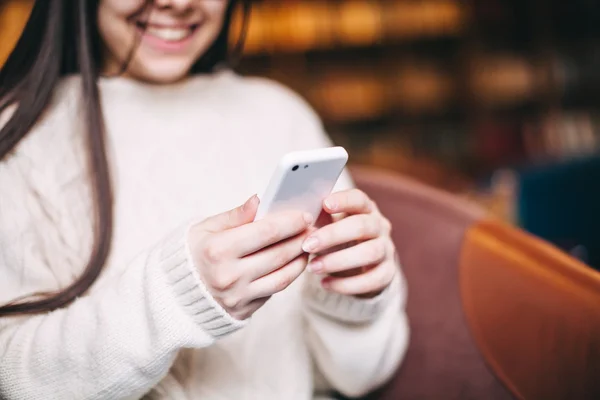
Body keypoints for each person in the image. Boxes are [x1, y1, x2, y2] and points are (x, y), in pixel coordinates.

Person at [0, 1, 409, 399]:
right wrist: (177, 296)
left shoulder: (281, 114)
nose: (178, 3)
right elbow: (11, 379)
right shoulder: (21, 135)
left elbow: (361, 378)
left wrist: (353, 298)